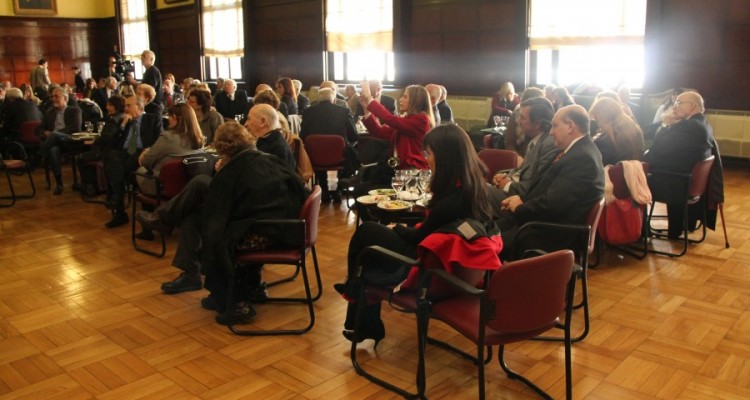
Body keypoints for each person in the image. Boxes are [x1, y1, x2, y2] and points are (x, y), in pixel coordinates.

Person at [334, 124, 499, 345]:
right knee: (369, 249)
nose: (426, 159)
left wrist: (397, 229)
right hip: (451, 262)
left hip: (424, 264)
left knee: (366, 235)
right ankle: (359, 307)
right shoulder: (478, 187)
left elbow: (416, 239)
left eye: (429, 153)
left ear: (445, 157)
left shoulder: (450, 203)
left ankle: (355, 294)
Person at [136, 122, 308, 325]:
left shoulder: (236, 169)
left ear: (222, 148)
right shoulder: (266, 159)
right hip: (288, 225)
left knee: (207, 217)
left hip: (267, 231)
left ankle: (232, 299)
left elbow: (223, 207)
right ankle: (195, 275)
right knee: (194, 217)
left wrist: (221, 173)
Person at [494, 104, 605, 258]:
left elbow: (552, 205)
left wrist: (520, 208)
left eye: (555, 126)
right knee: (487, 229)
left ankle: (492, 279)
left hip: (552, 233)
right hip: (541, 222)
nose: (551, 132)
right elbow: (547, 189)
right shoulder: (575, 151)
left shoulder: (582, 158)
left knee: (486, 242)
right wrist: (521, 198)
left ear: (570, 127)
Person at [643, 91, 712, 239]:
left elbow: (659, 148)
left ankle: (640, 231)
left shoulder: (689, 126)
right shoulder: (702, 122)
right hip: (686, 181)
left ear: (692, 106)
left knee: (634, 179)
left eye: (679, 103)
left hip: (676, 183)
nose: (674, 107)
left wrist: (665, 124)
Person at [102, 95, 163, 228]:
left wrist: (147, 150)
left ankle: (117, 205)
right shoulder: (124, 122)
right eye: (125, 106)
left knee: (116, 169)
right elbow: (112, 143)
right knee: (112, 156)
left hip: (141, 152)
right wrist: (123, 125)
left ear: (140, 107)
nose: (125, 108)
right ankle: (118, 194)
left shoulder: (152, 119)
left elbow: (160, 140)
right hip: (124, 153)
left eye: (129, 106)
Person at [491, 97, 557, 199]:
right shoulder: (534, 139)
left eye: (522, 117)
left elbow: (538, 186)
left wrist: (507, 185)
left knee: (476, 192)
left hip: (520, 201)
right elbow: (521, 171)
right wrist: (502, 176)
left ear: (538, 124)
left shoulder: (549, 144)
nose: (518, 121)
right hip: (515, 189)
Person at [300, 88, 358, 202]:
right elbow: (354, 136)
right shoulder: (344, 112)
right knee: (351, 153)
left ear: (318, 100)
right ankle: (337, 189)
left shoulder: (308, 112)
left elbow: (302, 136)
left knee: (320, 155)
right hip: (339, 156)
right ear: (334, 100)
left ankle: (324, 189)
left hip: (314, 157)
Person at [135, 103, 204, 195]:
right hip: (186, 187)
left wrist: (146, 152)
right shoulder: (200, 139)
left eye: (169, 116)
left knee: (140, 170)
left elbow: (146, 162)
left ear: (175, 117)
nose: (168, 119)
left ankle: (148, 208)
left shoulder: (167, 137)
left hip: (163, 186)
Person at [32, 87, 82, 195]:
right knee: (53, 150)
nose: (53, 99)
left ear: (64, 98)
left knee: (54, 134)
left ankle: (36, 159)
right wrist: (45, 132)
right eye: (52, 97)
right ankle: (59, 183)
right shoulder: (50, 112)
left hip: (70, 141)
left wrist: (56, 133)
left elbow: (76, 127)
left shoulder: (74, 110)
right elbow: (39, 128)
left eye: (56, 97)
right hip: (53, 142)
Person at [589, 97, 644, 166]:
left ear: (603, 118)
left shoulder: (603, 142)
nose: (598, 124)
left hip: (608, 175)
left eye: (597, 119)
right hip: (633, 174)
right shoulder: (637, 131)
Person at [243, 104, 296, 171]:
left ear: (263, 122)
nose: (245, 124)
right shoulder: (271, 142)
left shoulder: (275, 149)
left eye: (248, 119)